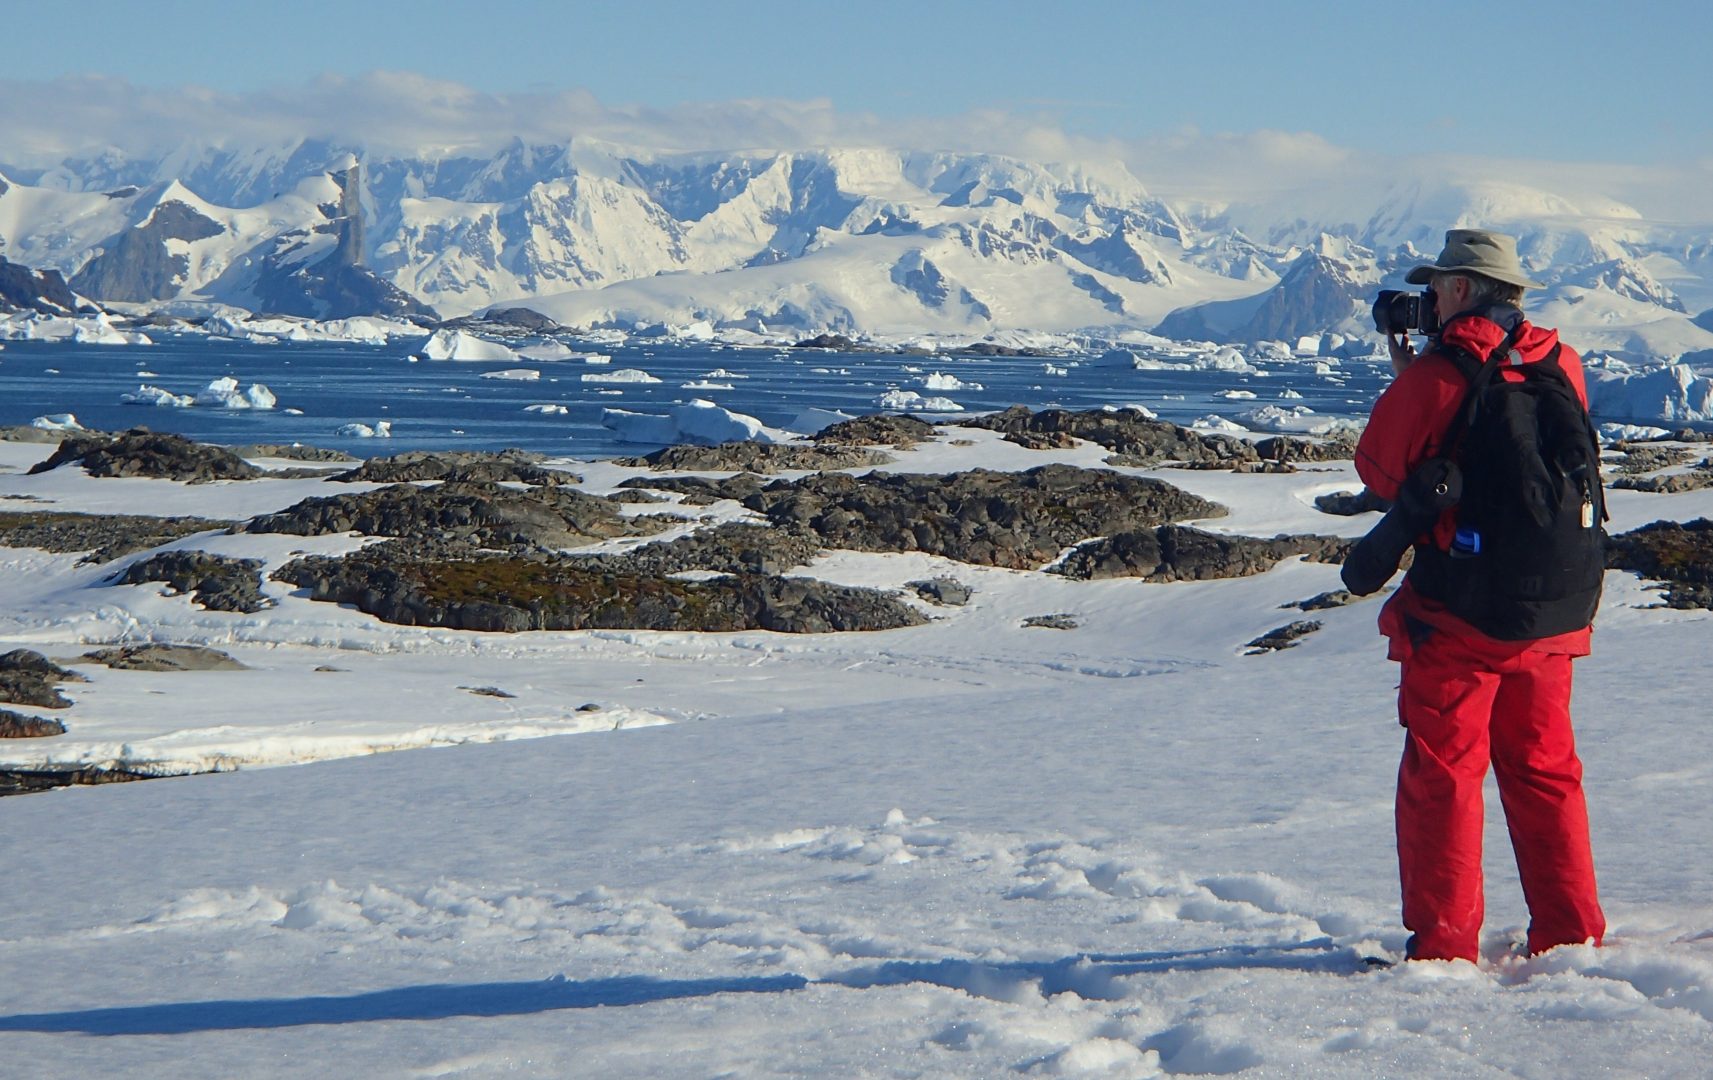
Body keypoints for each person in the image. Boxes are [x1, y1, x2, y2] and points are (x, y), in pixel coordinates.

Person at [1356, 228, 1605, 964]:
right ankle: (1570, 934)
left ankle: (1444, 945)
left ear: (1461, 288)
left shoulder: (1440, 373)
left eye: (1435, 288)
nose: (1428, 301)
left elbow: (1379, 472)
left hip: (1459, 616)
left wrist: (1411, 380)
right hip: (1554, 611)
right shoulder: (1560, 360)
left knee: (1445, 775)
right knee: (1545, 769)